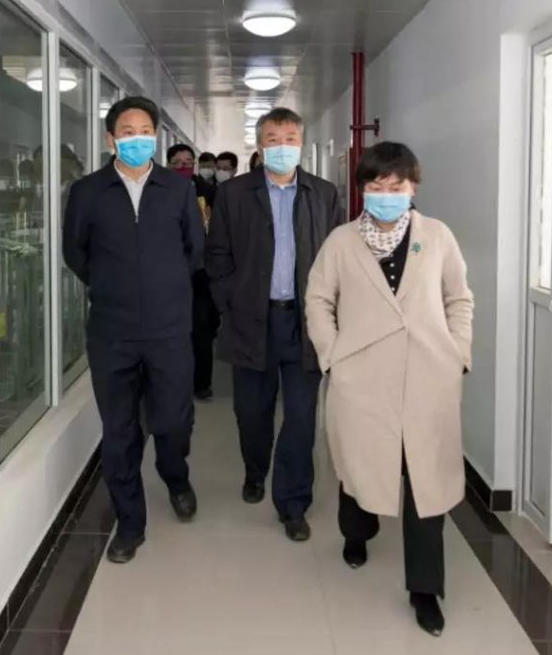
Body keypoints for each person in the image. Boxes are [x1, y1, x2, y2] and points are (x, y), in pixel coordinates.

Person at [304, 142, 474, 637]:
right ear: (362, 189)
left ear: (413, 188)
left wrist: (458, 352)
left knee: (425, 479)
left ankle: (425, 589)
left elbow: (459, 298)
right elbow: (319, 300)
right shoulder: (341, 241)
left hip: (428, 374)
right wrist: (333, 354)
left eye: (396, 186)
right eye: (376, 186)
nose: (385, 195)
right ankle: (357, 532)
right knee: (361, 464)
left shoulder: (437, 236)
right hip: (361, 375)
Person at [63, 96, 204, 564]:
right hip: (113, 331)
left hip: (169, 328)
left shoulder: (178, 189)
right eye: (127, 132)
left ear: (156, 137)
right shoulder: (88, 192)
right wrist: (114, 285)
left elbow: (194, 251)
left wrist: (162, 287)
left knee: (173, 420)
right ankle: (130, 521)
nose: (137, 139)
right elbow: (76, 254)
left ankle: (175, 476)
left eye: (145, 131)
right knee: (119, 429)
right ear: (111, 139)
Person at [206, 107, 344, 542]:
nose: (282, 146)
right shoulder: (234, 194)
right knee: (252, 412)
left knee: (301, 417)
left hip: (304, 323)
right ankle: (255, 469)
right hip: (251, 320)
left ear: (301, 143)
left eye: (289, 139)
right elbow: (216, 254)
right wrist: (230, 301)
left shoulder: (323, 194)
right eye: (272, 139)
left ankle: (293, 503)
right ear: (260, 146)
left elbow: (338, 258)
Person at [167, 143, 220, 402]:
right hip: (169, 272)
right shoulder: (159, 191)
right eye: (177, 163)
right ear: (168, 165)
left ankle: (201, 383)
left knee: (201, 328)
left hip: (201, 272)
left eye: (188, 163)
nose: (183, 167)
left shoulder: (208, 191)